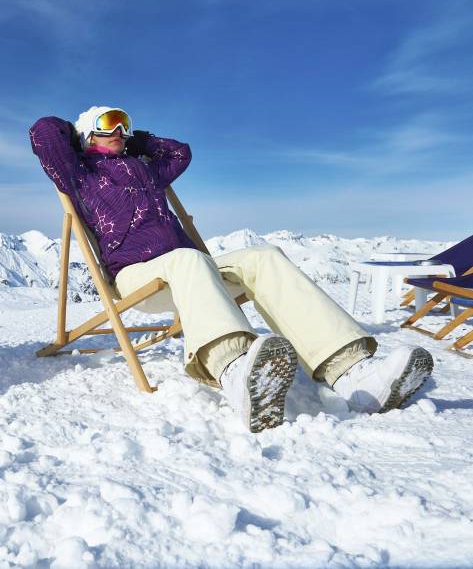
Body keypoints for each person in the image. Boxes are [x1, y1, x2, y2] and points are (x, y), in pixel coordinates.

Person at [29, 106, 434, 432]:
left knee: (264, 257)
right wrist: (74, 130)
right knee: (189, 259)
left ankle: (353, 373)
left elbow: (180, 153)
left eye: (124, 123)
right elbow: (42, 132)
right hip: (137, 275)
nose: (119, 130)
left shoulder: (147, 167)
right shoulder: (80, 173)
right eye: (108, 124)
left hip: (190, 271)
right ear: (87, 135)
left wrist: (140, 139)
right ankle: (234, 370)